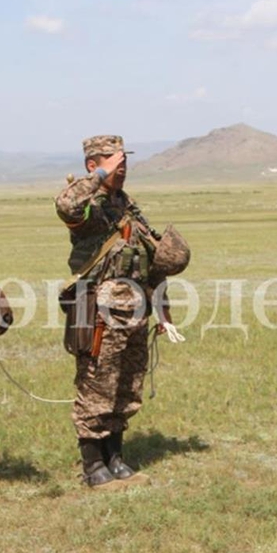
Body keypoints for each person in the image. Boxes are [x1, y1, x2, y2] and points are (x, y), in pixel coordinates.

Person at [54, 135, 189, 490]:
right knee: (97, 385)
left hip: (135, 312)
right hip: (98, 311)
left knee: (126, 386)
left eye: (124, 160)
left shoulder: (127, 207)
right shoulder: (89, 207)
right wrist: (100, 175)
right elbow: (66, 206)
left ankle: (114, 456)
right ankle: (93, 464)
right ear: (92, 164)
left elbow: (151, 260)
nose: (123, 166)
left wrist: (163, 310)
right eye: (114, 160)